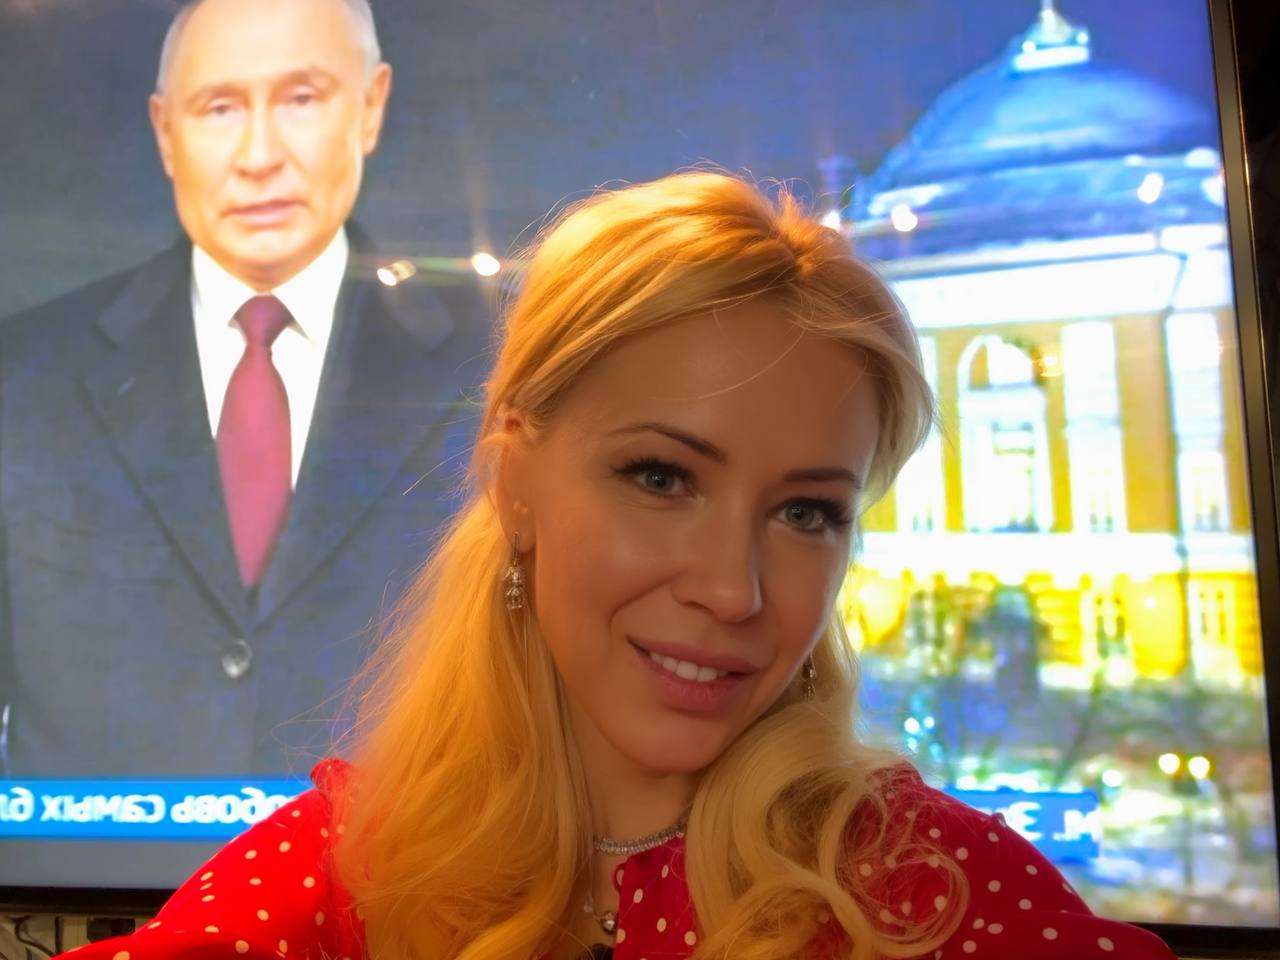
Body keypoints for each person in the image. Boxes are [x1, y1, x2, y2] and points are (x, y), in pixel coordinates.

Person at [56, 173, 1173, 960]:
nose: (732, 591)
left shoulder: (930, 893)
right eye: (661, 478)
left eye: (805, 512)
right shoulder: (341, 879)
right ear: (514, 481)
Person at [0, 0, 490, 776]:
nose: (260, 155)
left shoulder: (496, 368)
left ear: (370, 107)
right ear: (166, 133)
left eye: (301, 98)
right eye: (220, 107)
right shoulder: (23, 376)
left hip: (405, 854)